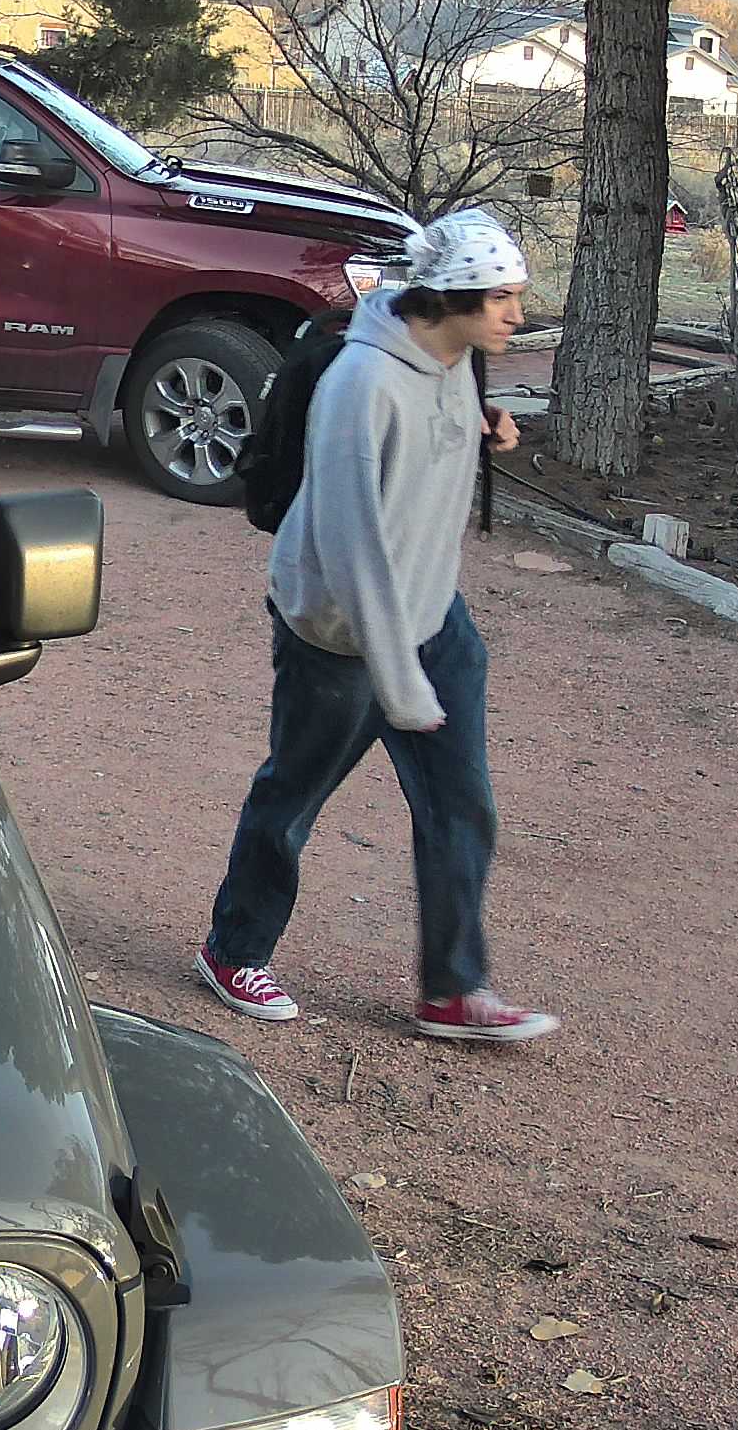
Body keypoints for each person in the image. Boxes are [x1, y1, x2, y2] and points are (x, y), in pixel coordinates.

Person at [194, 207, 558, 1042]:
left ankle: (452, 991)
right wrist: (399, 681)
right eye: (501, 298)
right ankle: (232, 950)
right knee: (293, 797)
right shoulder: (361, 385)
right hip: (340, 631)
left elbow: (431, 438)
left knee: (462, 805)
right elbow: (352, 545)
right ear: (451, 297)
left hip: (433, 615)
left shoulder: (456, 357)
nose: (517, 314)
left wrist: (484, 429)